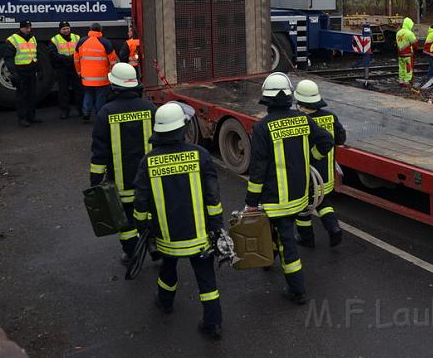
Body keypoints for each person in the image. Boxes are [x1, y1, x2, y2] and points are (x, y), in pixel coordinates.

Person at [133, 101, 224, 340]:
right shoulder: (201, 156)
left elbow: (140, 202)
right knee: (206, 279)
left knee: (168, 269)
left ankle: (164, 303)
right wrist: (217, 228)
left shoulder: (147, 161)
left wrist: (143, 228)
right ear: (181, 129)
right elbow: (213, 198)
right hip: (200, 235)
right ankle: (213, 323)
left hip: (167, 237)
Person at [245, 72, 334, 304]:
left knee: (288, 245)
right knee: (277, 231)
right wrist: (311, 160)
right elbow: (327, 141)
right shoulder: (303, 119)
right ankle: (269, 259)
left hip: (276, 201)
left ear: (267, 100)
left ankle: (298, 290)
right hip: (300, 196)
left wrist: (251, 202)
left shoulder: (262, 127)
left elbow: (257, 170)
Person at [90, 63, 156, 265]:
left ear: (114, 86)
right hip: (150, 182)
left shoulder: (106, 113)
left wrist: (95, 182)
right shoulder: (150, 108)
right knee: (152, 214)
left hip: (122, 184)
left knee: (126, 221)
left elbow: (99, 153)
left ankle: (132, 254)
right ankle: (155, 248)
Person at [293, 79, 346, 248]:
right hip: (326, 175)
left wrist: (312, 156)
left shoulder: (300, 121)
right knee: (322, 202)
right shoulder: (330, 116)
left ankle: (306, 238)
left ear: (300, 101)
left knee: (303, 208)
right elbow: (340, 139)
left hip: (307, 175)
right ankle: (333, 228)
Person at [74, 22, 118, 122]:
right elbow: (113, 60)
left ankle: (86, 113)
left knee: (88, 93)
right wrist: (112, 72)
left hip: (86, 76)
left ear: (90, 29)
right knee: (100, 95)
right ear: (100, 30)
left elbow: (76, 59)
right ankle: (100, 115)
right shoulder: (105, 42)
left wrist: (79, 72)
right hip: (101, 76)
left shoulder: (82, 41)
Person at [4, 20, 42, 127]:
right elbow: (8, 58)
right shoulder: (13, 39)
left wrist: (40, 70)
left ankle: (31, 116)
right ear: (21, 28)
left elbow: (36, 55)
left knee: (32, 95)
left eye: (29, 27)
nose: (28, 29)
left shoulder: (33, 38)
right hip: (20, 71)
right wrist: (14, 73)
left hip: (31, 70)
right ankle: (22, 118)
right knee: (21, 96)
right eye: (25, 27)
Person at [48, 21, 82, 119]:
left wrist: (73, 58)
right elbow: (52, 54)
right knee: (63, 91)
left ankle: (80, 109)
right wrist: (66, 58)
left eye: (68, 28)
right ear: (60, 30)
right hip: (62, 67)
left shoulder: (77, 37)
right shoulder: (55, 40)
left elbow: (81, 50)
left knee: (79, 90)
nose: (66, 30)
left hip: (75, 67)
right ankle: (64, 111)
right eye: (64, 29)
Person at [395, 17, 419, 88]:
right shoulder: (409, 33)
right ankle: (407, 82)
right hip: (408, 54)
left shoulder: (398, 33)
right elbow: (415, 44)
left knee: (401, 68)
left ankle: (401, 81)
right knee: (408, 68)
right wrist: (415, 49)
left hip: (400, 54)